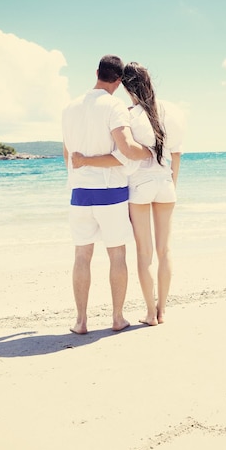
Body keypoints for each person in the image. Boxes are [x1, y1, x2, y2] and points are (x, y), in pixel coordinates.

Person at [62, 55, 151, 334]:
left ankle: (81, 321)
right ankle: (117, 318)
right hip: (110, 192)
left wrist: (81, 166)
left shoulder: (70, 106)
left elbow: (68, 153)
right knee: (117, 256)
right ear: (119, 80)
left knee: (81, 256)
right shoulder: (114, 106)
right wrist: (149, 153)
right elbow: (125, 148)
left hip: (79, 192)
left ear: (97, 72)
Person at [122, 62, 184, 325]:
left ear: (127, 86)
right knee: (164, 249)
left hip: (139, 185)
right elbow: (177, 154)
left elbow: (126, 153)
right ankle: (163, 309)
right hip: (165, 183)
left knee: (144, 253)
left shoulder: (129, 114)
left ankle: (150, 313)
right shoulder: (171, 110)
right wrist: (173, 185)